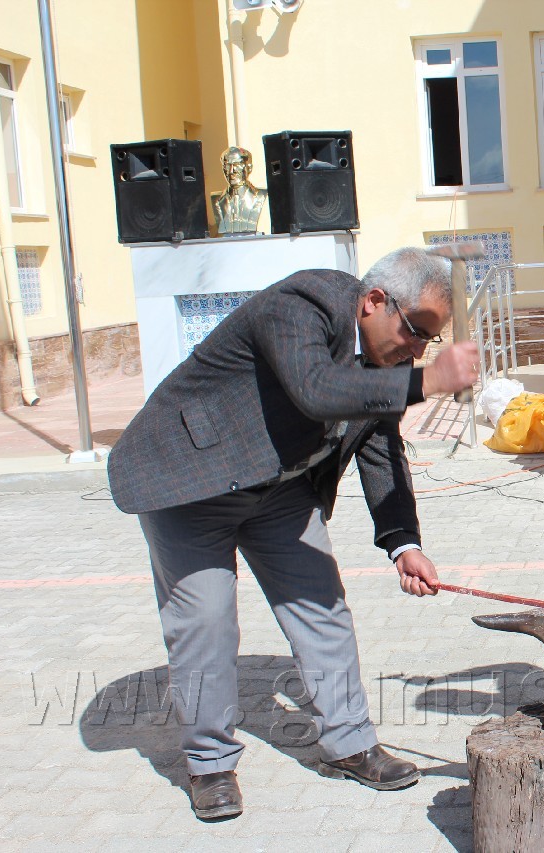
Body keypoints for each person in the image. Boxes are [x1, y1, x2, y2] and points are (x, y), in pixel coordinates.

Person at [107, 248, 480, 821]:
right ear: (374, 301)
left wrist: (404, 542)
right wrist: (427, 380)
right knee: (205, 622)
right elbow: (317, 389)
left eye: (428, 343)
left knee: (321, 605)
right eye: (415, 332)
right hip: (191, 479)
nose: (417, 350)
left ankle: (352, 743)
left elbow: (381, 450)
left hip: (278, 489)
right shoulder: (303, 303)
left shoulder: (382, 360)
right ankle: (210, 764)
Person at [211, 146, 268, 235]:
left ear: (249, 168)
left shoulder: (260, 196)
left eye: (237, 165)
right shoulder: (216, 200)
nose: (231, 171)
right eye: (227, 165)